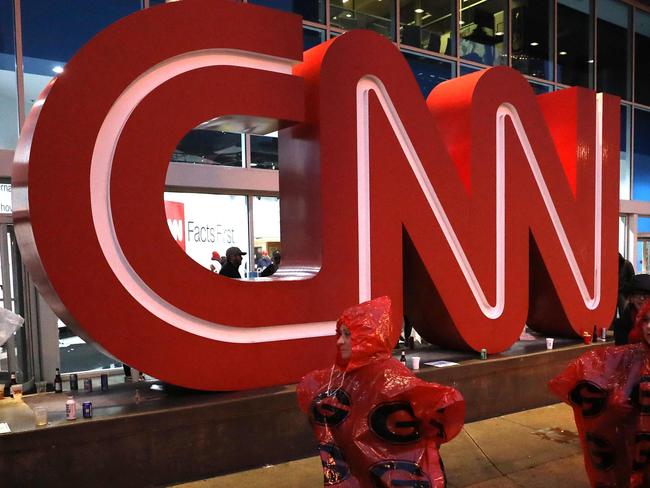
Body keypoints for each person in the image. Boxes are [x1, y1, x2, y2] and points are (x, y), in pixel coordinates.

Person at [297, 296, 465, 487]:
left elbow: (436, 407)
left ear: (366, 337)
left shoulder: (389, 376)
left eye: (347, 335)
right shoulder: (344, 377)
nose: (339, 342)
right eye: (340, 334)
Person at [549, 299, 650, 487]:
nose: (649, 327)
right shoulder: (629, 357)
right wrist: (610, 408)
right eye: (646, 320)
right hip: (634, 449)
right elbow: (585, 378)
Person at [612, 274, 650, 345]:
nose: (642, 298)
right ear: (631, 298)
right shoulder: (621, 324)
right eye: (638, 294)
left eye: (646, 295)